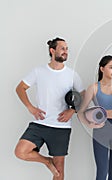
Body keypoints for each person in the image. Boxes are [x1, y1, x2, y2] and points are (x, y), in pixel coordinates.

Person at [14, 37, 84, 180]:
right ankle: (47, 162)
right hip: (40, 123)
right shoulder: (38, 71)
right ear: (52, 51)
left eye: (67, 49)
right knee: (20, 152)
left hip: (61, 126)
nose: (66, 52)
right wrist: (31, 107)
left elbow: (84, 95)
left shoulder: (72, 74)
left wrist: (73, 110)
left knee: (59, 173)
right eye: (62, 48)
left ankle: (52, 164)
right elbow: (20, 88)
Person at [77, 55, 112, 180]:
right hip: (102, 130)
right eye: (111, 67)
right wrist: (90, 124)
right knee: (102, 171)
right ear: (102, 68)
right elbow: (80, 112)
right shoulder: (94, 88)